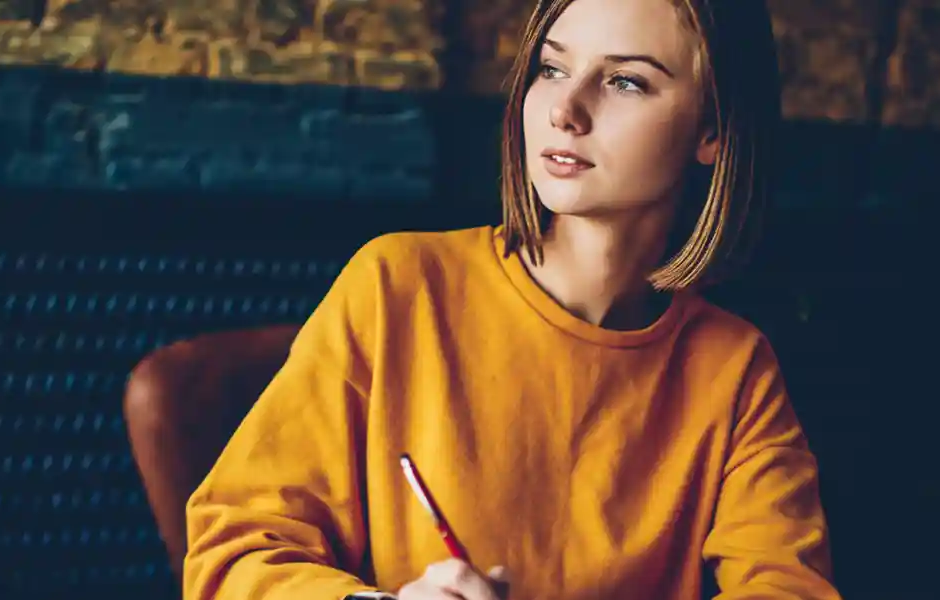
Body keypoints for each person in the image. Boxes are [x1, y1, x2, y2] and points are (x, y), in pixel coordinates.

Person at [184, 0, 841, 598]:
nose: (565, 110)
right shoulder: (396, 284)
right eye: (552, 70)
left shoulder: (735, 368)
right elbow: (232, 554)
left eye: (625, 81)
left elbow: (788, 588)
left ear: (714, 132)